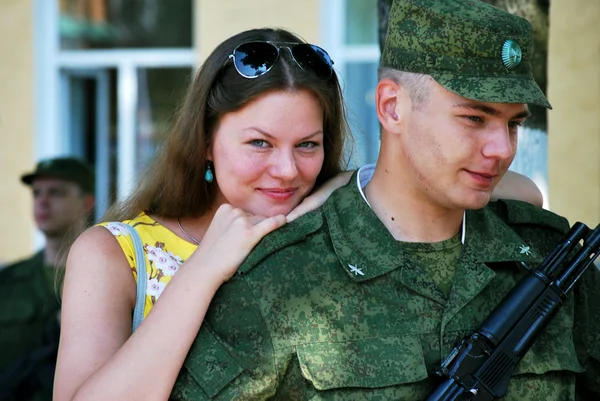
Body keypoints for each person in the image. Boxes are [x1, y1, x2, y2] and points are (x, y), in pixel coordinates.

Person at [54, 26, 550, 401]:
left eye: (308, 145)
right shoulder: (116, 253)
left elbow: (527, 192)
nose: (287, 170)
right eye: (259, 143)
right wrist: (204, 269)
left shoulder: (330, 211)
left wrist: (352, 183)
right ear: (205, 140)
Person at [154, 1, 599, 400]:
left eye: (514, 124)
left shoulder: (549, 256)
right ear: (391, 107)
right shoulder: (278, 275)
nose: (501, 148)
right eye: (474, 118)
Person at [0, 157, 95, 401]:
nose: (42, 202)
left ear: (87, 202)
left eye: (56, 193)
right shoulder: (7, 281)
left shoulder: (108, 279)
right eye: (37, 194)